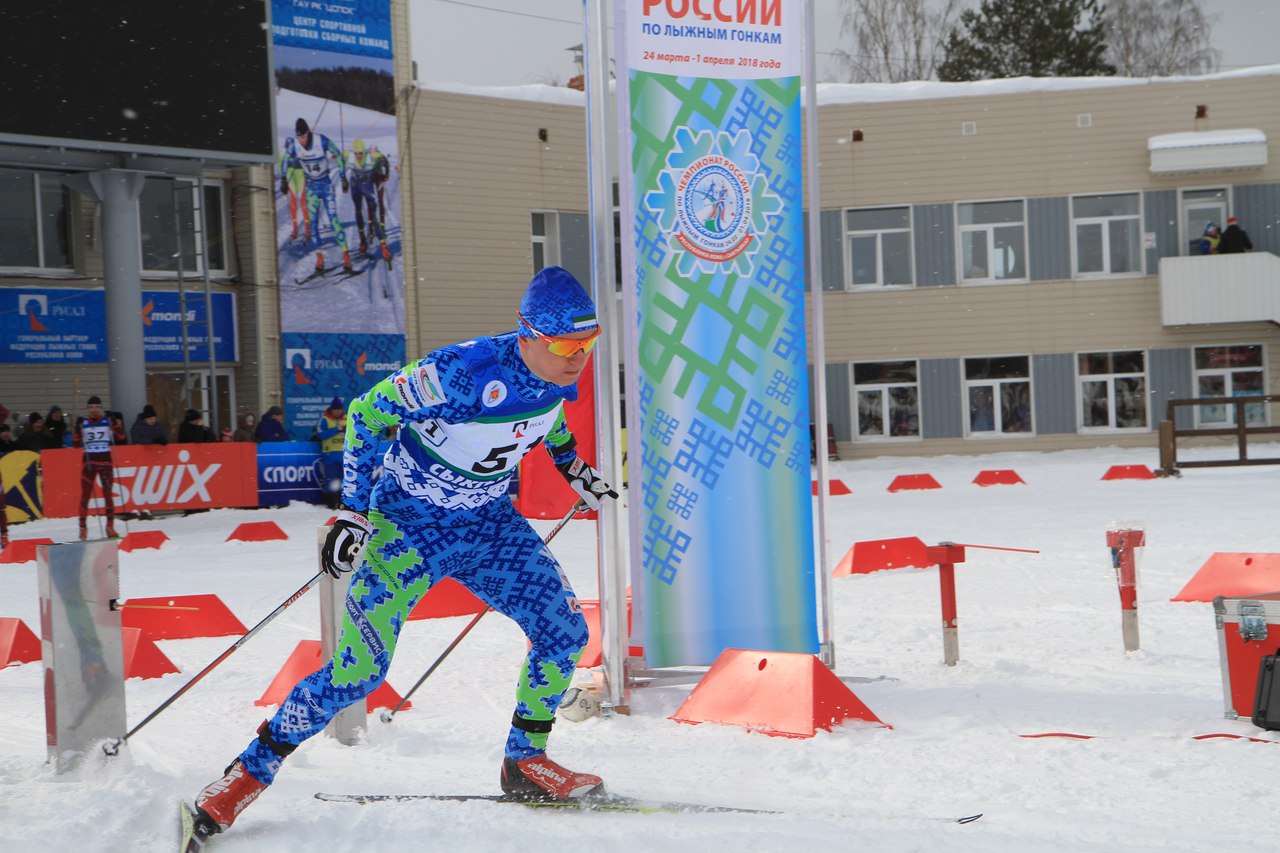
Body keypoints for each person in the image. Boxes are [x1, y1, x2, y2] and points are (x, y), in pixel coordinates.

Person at [191, 266, 618, 839]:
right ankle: (246, 775)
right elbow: (368, 413)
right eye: (568, 345)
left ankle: (525, 762)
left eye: (589, 344)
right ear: (529, 334)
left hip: (489, 526)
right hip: (409, 526)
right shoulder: (462, 373)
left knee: (563, 631)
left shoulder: (558, 372)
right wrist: (353, 512)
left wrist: (576, 471)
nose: (579, 358)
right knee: (359, 672)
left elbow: (550, 419)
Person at [284, 118, 352, 275]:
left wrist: (343, 177)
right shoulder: (295, 145)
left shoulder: (321, 140)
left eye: (304, 137)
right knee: (313, 223)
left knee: (334, 220)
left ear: (309, 133)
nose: (302, 141)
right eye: (299, 137)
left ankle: (346, 257)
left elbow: (339, 155)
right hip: (311, 188)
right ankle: (319, 259)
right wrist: (282, 178)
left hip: (325, 185)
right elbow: (285, 160)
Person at [74, 396, 117, 540]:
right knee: (85, 495)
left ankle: (110, 526)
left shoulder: (107, 422)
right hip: (89, 462)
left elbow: (122, 437)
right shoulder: (83, 423)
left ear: (101, 408)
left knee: (108, 494)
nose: (94, 409)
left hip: (105, 462)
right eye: (91, 407)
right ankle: (82, 527)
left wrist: (116, 423)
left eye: (97, 406)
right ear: (88, 409)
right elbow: (75, 444)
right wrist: (76, 428)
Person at [345, 138, 392, 267]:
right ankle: (363, 242)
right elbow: (338, 159)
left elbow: (384, 160)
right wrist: (343, 179)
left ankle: (383, 245)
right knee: (358, 211)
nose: (358, 156)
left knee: (373, 212)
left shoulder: (371, 156)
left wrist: (385, 174)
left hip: (367, 185)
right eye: (356, 153)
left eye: (361, 153)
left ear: (364, 152)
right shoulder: (349, 156)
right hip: (355, 184)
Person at [315, 397, 347, 509]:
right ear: (331, 409)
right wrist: (337, 430)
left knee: (346, 482)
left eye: (339, 409)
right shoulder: (325, 419)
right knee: (331, 481)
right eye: (335, 409)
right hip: (330, 456)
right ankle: (331, 504)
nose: (337, 411)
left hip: (345, 457)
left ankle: (343, 503)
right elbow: (321, 435)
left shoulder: (347, 418)